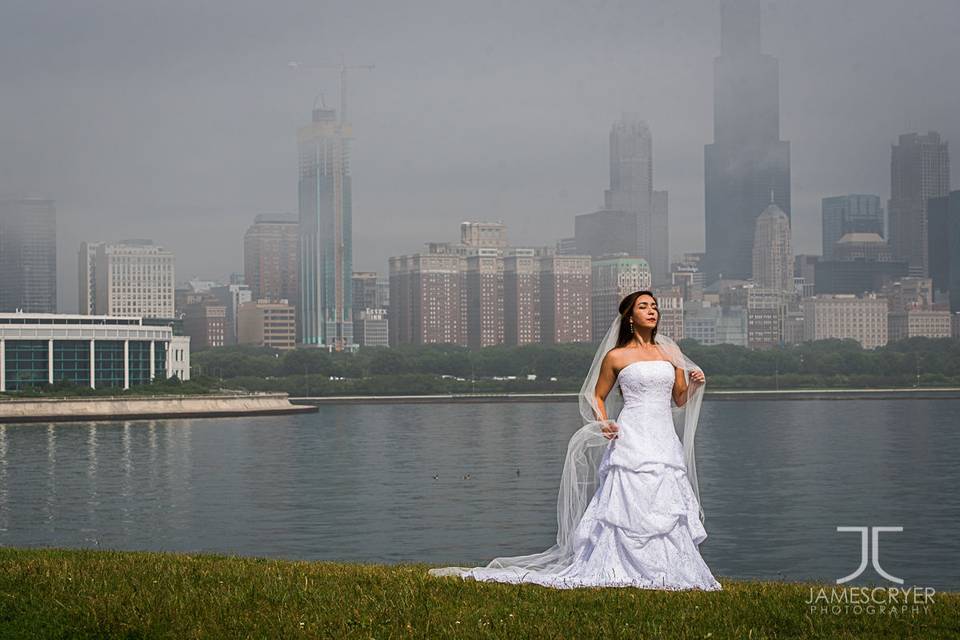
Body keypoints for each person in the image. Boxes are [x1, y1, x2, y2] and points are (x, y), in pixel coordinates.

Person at [428, 290, 722, 590]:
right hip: (631, 433)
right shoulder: (616, 356)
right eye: (643, 306)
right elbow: (594, 395)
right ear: (630, 317)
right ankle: (617, 565)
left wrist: (695, 386)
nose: (651, 311)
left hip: (662, 437)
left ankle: (670, 568)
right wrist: (603, 421)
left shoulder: (670, 353)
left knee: (665, 498)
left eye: (654, 307)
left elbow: (679, 399)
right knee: (625, 498)